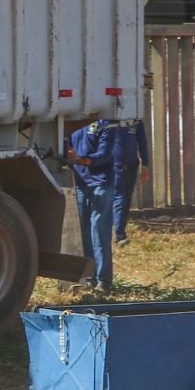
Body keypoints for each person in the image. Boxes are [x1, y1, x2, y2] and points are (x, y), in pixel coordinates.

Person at [67, 119, 116, 294]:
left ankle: (104, 282)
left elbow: (104, 154)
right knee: (85, 234)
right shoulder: (73, 121)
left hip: (100, 185)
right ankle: (90, 278)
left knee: (99, 232)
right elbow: (66, 144)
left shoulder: (107, 124)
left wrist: (81, 160)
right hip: (81, 185)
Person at [110, 118, 151, 245]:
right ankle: (119, 235)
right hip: (115, 165)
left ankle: (119, 230)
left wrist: (145, 165)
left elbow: (142, 141)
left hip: (132, 165)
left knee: (127, 198)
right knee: (120, 198)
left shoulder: (136, 120)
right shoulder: (112, 117)